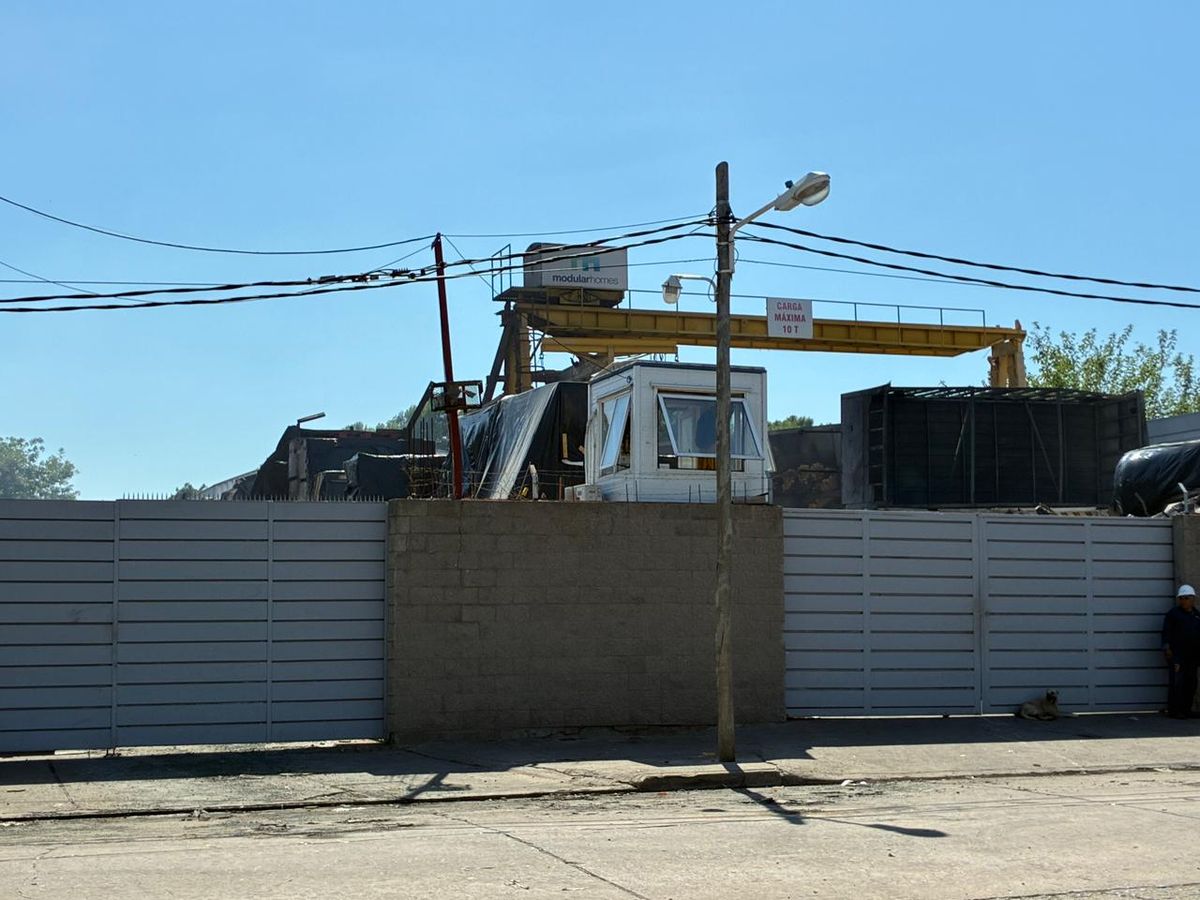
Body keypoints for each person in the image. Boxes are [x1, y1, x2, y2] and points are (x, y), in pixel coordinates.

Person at [1162, 584, 1200, 718]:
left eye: (1187, 598)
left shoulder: (1196, 615)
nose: (1184, 600)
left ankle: (1186, 709)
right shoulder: (1174, 614)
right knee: (1177, 683)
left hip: (1193, 656)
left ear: (1193, 598)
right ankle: (1175, 710)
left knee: (1191, 683)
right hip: (1177, 655)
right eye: (1182, 598)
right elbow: (1166, 633)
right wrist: (1167, 648)